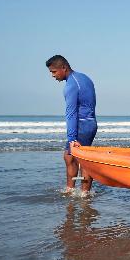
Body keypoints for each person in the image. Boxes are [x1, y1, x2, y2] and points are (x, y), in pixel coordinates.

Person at [46, 55, 98, 192]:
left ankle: (80, 193)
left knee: (80, 160)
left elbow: (71, 113)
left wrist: (71, 139)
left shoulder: (71, 85)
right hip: (90, 123)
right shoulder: (84, 78)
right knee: (72, 157)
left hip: (82, 125)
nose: (53, 75)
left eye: (54, 71)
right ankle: (77, 191)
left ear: (63, 68)